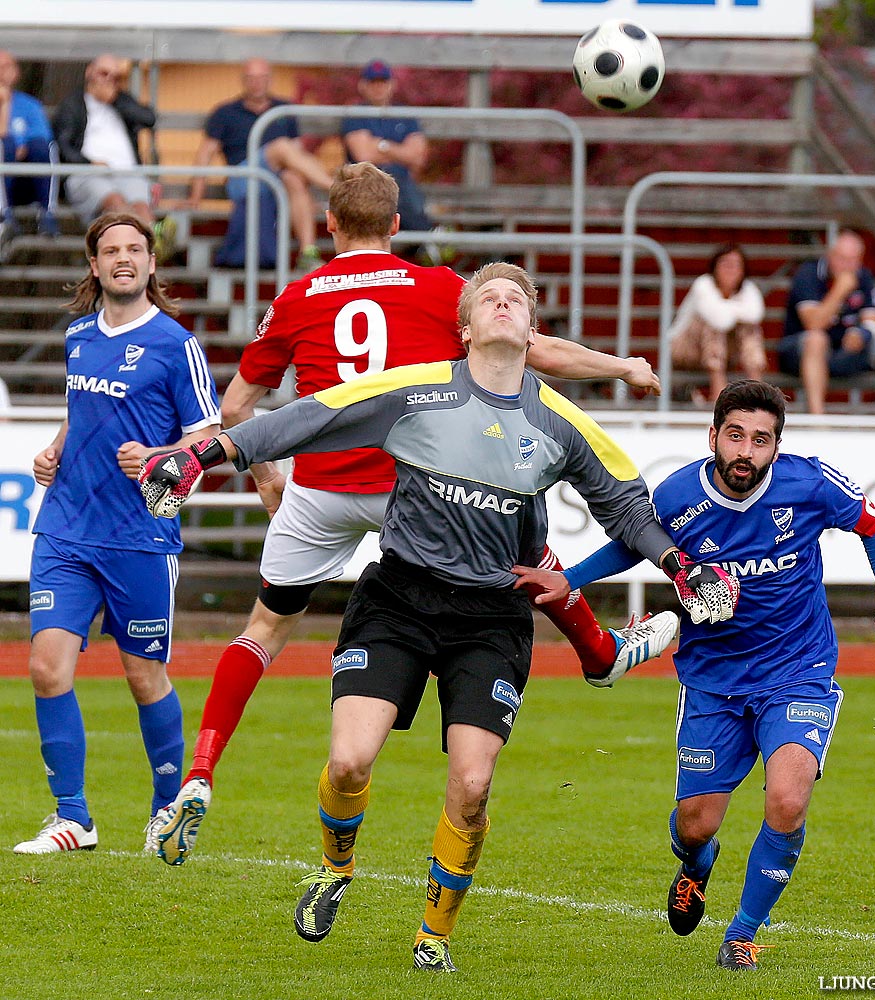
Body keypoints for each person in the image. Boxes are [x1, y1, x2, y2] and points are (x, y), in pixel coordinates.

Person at [138, 261, 740, 972]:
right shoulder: (414, 391)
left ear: (532, 326)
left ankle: (433, 937)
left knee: (473, 783)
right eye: (490, 295)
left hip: (489, 619)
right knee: (348, 761)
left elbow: (627, 506)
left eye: (518, 297)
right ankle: (336, 869)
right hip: (398, 598)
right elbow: (307, 418)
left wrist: (682, 566)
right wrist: (202, 452)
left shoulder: (561, 421)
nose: (505, 301)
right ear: (466, 327)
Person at [151, 163, 677, 869]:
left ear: (329, 226)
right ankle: (600, 652)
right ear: (398, 226)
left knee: (264, 629)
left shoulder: (298, 294)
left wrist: (268, 480)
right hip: (411, 471)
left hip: (324, 481)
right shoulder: (439, 287)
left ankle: (202, 772)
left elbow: (243, 406)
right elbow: (533, 349)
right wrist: (622, 367)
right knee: (515, 543)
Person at [513, 379, 875, 972]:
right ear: (713, 438)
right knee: (695, 826)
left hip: (798, 669)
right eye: (735, 436)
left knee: (787, 798)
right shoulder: (680, 495)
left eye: (761, 440)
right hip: (712, 678)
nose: (746, 451)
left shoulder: (809, 483)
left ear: (776, 447)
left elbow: (874, 527)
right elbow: (635, 544)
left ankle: (744, 933)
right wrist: (569, 579)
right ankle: (696, 867)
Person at [11, 212, 220, 855]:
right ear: (95, 266)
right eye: (111, 250)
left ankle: (165, 812)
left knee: (143, 677)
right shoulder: (79, 336)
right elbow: (84, 413)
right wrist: (54, 449)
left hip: (140, 537)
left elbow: (206, 439)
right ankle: (72, 815)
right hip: (66, 528)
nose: (123, 258)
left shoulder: (176, 344)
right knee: (48, 667)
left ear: (151, 265)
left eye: (135, 249)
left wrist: (158, 461)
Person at [187, 58, 337, 272]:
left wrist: (306, 190)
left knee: (293, 177)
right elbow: (205, 155)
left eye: (262, 78)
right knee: (280, 146)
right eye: (251, 78)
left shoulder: (284, 109)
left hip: (277, 182)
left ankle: (308, 253)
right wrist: (195, 198)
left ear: (270, 80)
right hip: (242, 179)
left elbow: (298, 155)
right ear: (243, 81)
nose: (257, 83)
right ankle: (336, 189)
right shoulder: (225, 112)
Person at [52, 55, 176, 260]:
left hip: (128, 172)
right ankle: (151, 241)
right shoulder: (72, 104)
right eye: (103, 73)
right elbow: (63, 145)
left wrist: (115, 100)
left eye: (116, 77)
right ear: (89, 72)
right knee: (115, 202)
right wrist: (89, 163)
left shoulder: (122, 100)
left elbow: (149, 119)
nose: (109, 80)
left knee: (141, 206)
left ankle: (147, 247)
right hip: (88, 174)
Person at [779, 230, 875, 416]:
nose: (846, 266)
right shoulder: (809, 274)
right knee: (817, 340)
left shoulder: (864, 277)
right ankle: (818, 419)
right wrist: (840, 290)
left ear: (860, 260)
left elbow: (874, 320)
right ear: (830, 255)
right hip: (801, 352)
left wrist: (863, 333)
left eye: (852, 260)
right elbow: (813, 323)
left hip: (846, 349)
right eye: (841, 258)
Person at [341, 61, 433, 237]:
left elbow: (418, 157)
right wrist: (400, 153)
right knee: (389, 186)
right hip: (366, 182)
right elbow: (364, 155)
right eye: (373, 82)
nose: (378, 87)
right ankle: (428, 237)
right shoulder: (355, 114)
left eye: (382, 82)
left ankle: (425, 239)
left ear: (392, 84)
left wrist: (382, 146)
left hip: (403, 184)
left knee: (398, 188)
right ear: (363, 86)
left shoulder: (404, 114)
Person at [668, 243, 766, 403]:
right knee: (713, 324)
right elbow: (720, 320)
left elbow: (756, 315)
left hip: (725, 352)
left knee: (749, 328)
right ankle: (718, 392)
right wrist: (737, 310)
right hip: (685, 350)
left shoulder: (748, 288)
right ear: (714, 267)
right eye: (725, 263)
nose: (730, 269)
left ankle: (757, 388)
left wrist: (728, 309)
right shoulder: (703, 285)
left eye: (736, 265)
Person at [0, 49, 60, 238]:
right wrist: (4, 104)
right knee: (4, 146)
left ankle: (48, 214)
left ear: (16, 72)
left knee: (45, 147)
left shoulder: (29, 105)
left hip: (22, 180)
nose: (1, 71)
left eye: (5, 66)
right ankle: (3, 214)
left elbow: (41, 139)